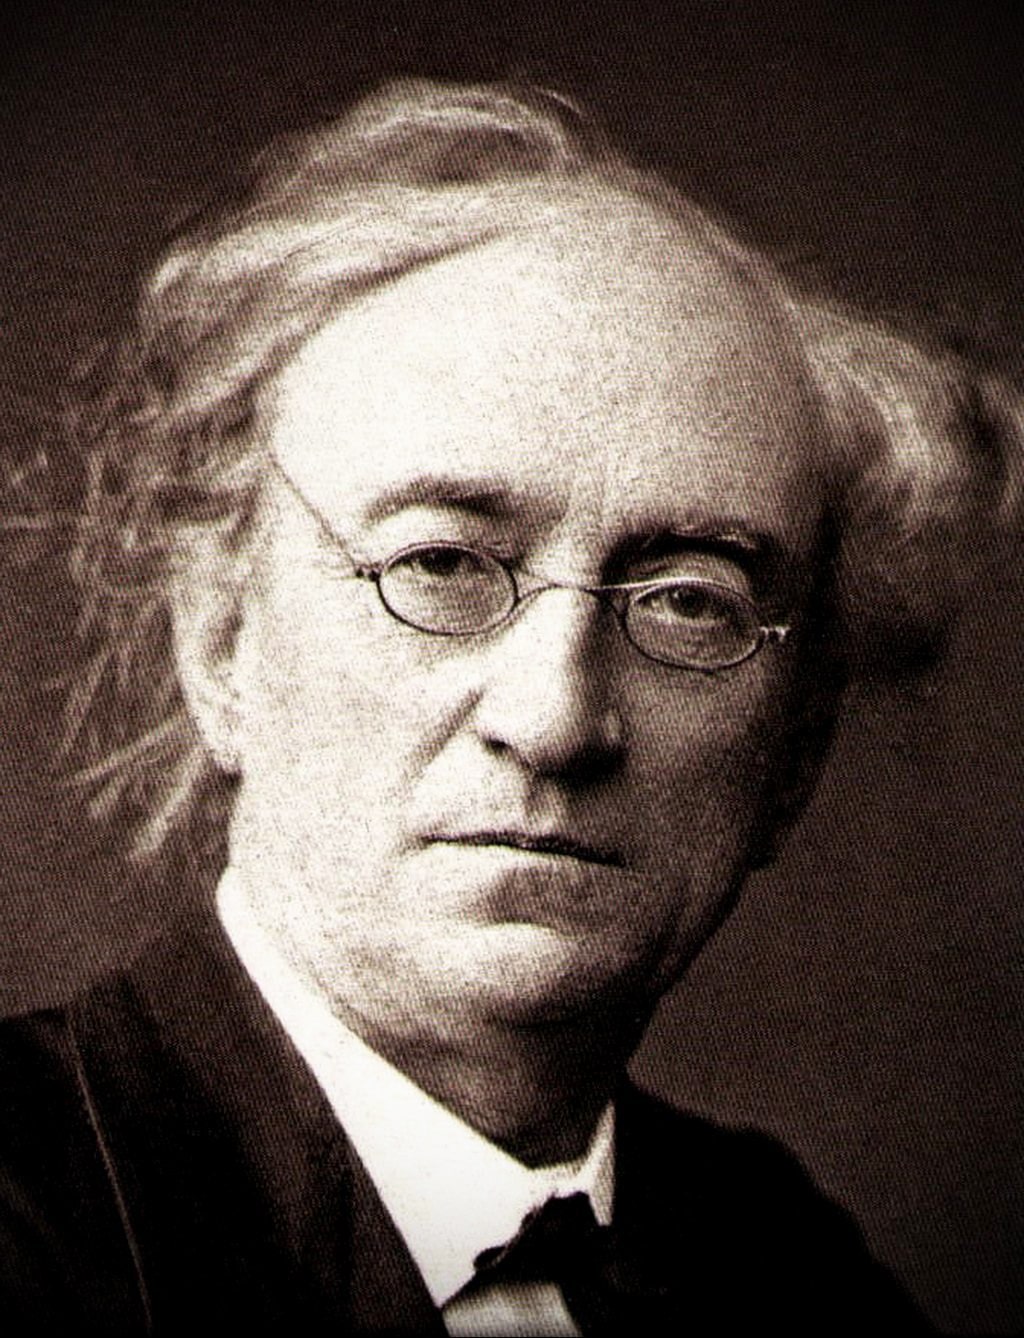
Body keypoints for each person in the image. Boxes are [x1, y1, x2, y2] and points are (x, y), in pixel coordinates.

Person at [0, 78, 1018, 1334]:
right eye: (439, 566)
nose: (553, 720)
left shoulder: (797, 1277)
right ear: (222, 641)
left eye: (687, 602)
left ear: (795, 753)